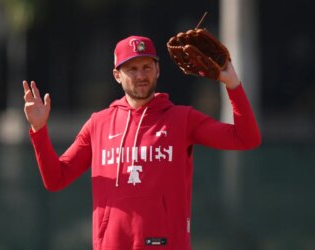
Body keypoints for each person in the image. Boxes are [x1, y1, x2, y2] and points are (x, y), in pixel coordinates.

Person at [23, 35, 261, 250]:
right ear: (117, 75)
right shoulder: (98, 124)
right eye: (132, 68)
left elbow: (247, 139)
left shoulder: (182, 119)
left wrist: (233, 85)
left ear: (157, 70)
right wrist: (39, 129)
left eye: (147, 66)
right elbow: (56, 179)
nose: (140, 75)